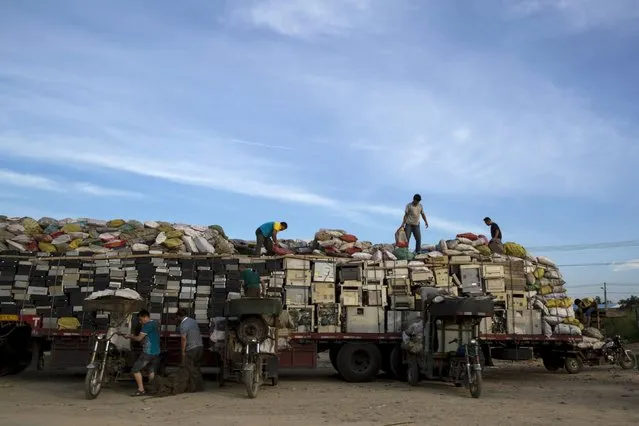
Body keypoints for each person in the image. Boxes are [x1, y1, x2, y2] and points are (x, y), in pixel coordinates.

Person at [125, 309, 160, 396]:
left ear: (145, 317)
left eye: (141, 319)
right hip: (156, 352)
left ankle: (141, 390)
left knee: (135, 369)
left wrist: (131, 336)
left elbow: (139, 338)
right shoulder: (155, 323)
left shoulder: (146, 326)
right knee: (151, 370)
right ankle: (152, 388)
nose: (140, 322)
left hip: (148, 352)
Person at [176, 309, 204, 392]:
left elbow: (183, 339)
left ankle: (195, 388)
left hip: (192, 348)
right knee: (196, 367)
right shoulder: (193, 321)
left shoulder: (183, 325)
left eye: (176, 318)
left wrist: (183, 351)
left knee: (190, 368)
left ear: (178, 317)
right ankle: (200, 386)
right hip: (200, 347)